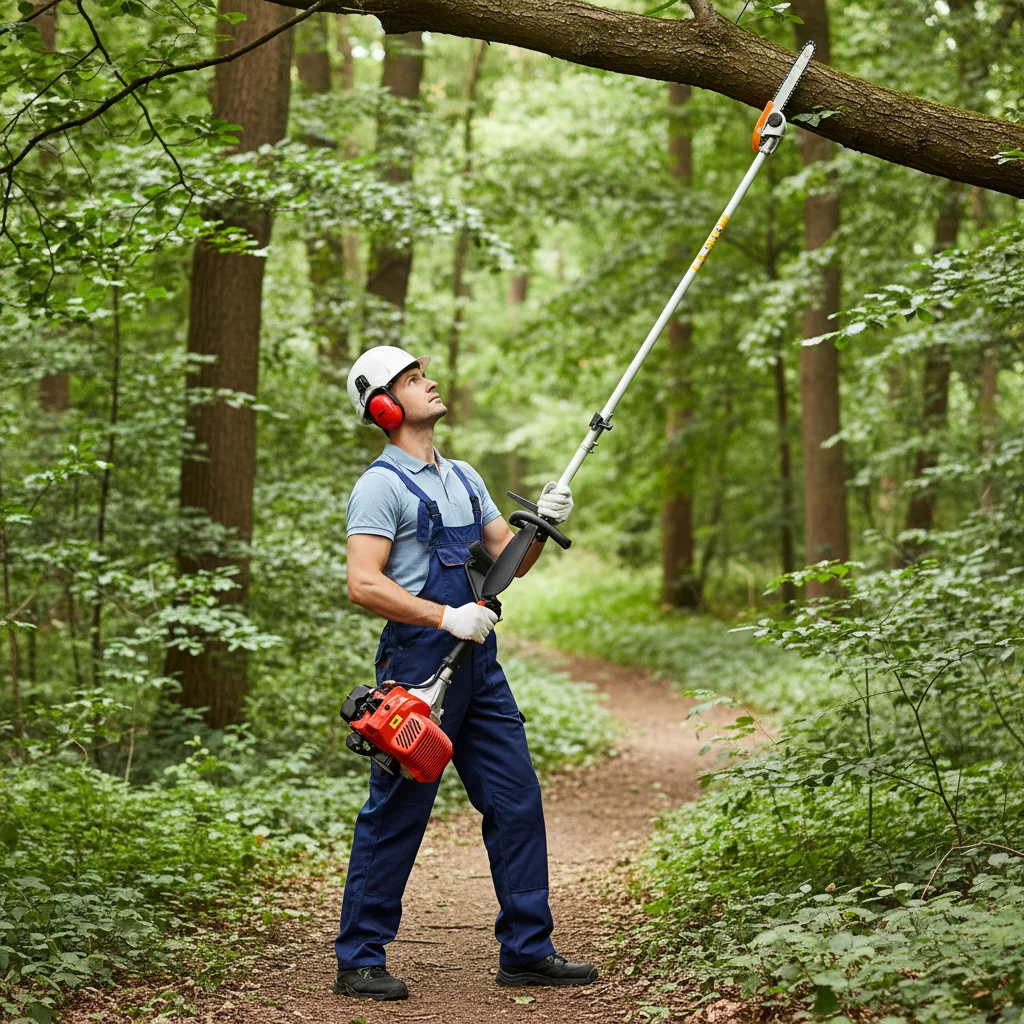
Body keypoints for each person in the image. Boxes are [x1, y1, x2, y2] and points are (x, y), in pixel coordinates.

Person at [333, 345, 597, 1001]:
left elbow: (510, 563)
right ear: (384, 405)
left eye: (425, 374)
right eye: (413, 380)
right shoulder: (380, 486)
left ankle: (527, 951)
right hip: (418, 662)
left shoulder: (465, 476)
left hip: (479, 662)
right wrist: (445, 618)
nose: (431, 383)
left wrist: (543, 520)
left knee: (515, 799)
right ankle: (360, 959)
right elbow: (363, 585)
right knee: (397, 810)